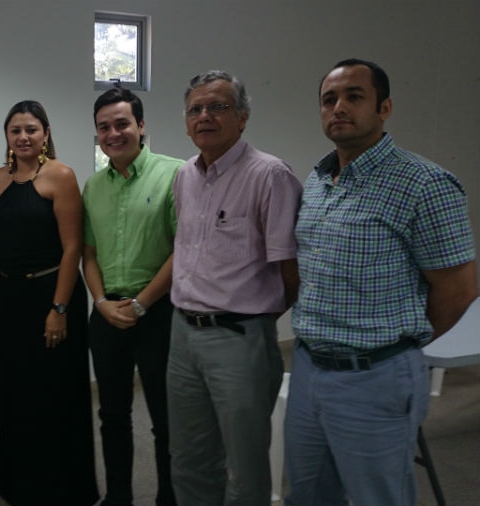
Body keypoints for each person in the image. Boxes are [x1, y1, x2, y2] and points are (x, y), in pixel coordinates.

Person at [286, 58, 478, 506]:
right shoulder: (317, 180)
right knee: (308, 495)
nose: (339, 108)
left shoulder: (425, 184)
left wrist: (397, 344)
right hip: (309, 368)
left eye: (354, 97)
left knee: (379, 498)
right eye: (329, 99)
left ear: (384, 107)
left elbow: (459, 290)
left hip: (375, 377)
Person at [168, 70, 302, 506]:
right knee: (188, 458)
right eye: (195, 109)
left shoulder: (270, 176)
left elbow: (291, 272)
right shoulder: (184, 175)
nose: (204, 116)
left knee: (245, 468)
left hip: (239, 339)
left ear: (242, 117)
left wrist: (253, 319)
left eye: (218, 106)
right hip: (182, 334)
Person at [0, 100, 99, 506]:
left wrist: (59, 309)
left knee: (55, 395)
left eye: (31, 129)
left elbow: (72, 248)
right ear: (7, 135)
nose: (23, 137)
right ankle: (21, 486)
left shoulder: (60, 175)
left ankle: (63, 490)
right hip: (9, 297)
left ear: (46, 134)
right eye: (15, 130)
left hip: (52, 294)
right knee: (16, 394)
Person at [83, 87, 181, 506]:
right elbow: (88, 253)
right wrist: (101, 302)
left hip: (159, 314)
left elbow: (184, 249)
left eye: (122, 124)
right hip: (107, 315)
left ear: (141, 126)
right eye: (104, 127)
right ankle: (118, 496)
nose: (113, 134)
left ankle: (169, 499)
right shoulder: (92, 186)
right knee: (112, 415)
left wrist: (142, 303)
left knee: (165, 418)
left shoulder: (176, 174)